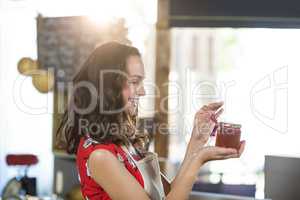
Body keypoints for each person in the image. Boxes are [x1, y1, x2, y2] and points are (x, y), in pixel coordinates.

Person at [57, 41, 245, 200]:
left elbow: (169, 194)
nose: (142, 91)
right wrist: (200, 159)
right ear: (109, 87)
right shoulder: (100, 156)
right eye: (134, 81)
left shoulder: (123, 143)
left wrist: (197, 141)